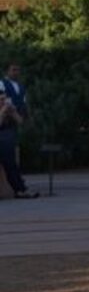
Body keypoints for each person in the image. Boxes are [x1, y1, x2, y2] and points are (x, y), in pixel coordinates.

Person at [1, 63, 38, 199]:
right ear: (7, 71)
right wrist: (7, 109)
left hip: (10, 125)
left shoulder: (21, 87)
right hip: (5, 122)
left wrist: (25, 118)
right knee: (8, 157)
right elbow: (4, 101)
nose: (16, 72)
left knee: (9, 157)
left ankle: (20, 188)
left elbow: (23, 104)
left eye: (18, 70)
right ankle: (20, 188)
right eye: (13, 70)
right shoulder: (2, 83)